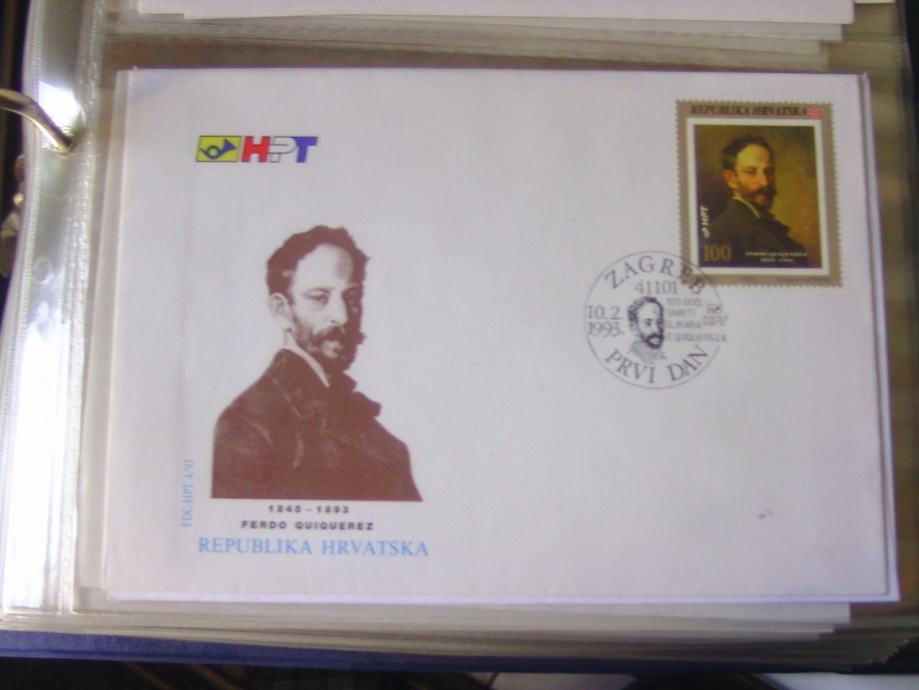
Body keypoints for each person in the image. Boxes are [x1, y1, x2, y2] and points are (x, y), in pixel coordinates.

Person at [212, 226, 421, 501]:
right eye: (320, 298)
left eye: (352, 297)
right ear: (282, 311)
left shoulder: (368, 427)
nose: (342, 317)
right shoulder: (248, 425)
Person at [706, 135, 809, 267]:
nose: (765, 182)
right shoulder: (720, 235)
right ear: (731, 179)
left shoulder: (776, 233)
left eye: (768, 171)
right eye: (751, 172)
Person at [627, 296, 666, 365]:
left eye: (659, 322)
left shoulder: (661, 357)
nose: (656, 330)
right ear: (634, 328)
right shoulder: (632, 357)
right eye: (648, 323)